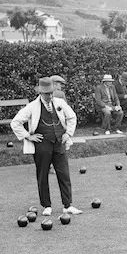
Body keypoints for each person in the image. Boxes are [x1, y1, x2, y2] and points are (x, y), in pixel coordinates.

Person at [10, 77, 83, 217]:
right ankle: (47, 205)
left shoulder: (60, 103)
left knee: (64, 174)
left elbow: (72, 117)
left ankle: (67, 205)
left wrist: (68, 133)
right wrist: (28, 135)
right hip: (42, 145)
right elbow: (15, 122)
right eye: (46, 94)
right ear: (40, 93)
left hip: (59, 143)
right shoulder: (32, 106)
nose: (49, 96)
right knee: (42, 174)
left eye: (51, 93)